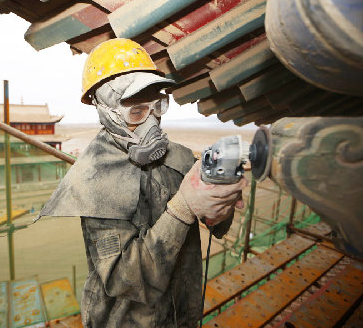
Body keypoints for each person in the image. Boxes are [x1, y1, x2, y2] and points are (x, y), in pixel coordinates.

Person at [39, 38, 247, 327]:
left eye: (157, 106)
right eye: (136, 111)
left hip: (183, 315)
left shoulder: (180, 156)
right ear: (106, 112)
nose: (152, 122)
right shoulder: (92, 180)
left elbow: (217, 224)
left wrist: (220, 203)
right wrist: (183, 207)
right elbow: (129, 280)